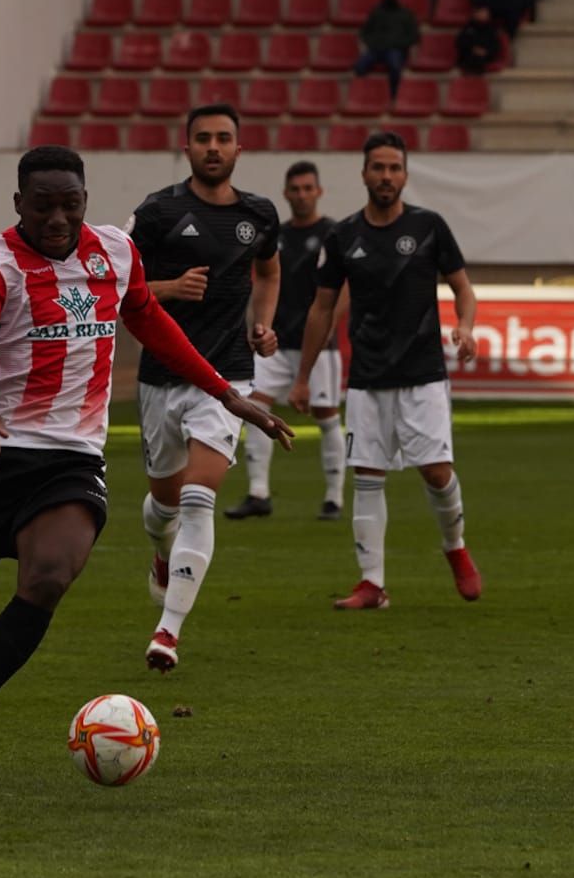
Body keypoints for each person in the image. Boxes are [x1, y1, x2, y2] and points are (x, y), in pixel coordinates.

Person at [0, 147, 292, 776]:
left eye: (71, 203)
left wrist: (226, 393)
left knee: (50, 578)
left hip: (72, 460)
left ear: (86, 199)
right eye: (43, 205)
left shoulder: (113, 251)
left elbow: (151, 321)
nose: (58, 217)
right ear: (18, 205)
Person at [289, 131, 482, 609]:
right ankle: (372, 584)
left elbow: (463, 288)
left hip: (423, 374)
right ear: (364, 174)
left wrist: (466, 326)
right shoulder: (343, 236)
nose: (386, 176)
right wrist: (303, 375)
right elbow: (321, 308)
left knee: (437, 473)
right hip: (368, 378)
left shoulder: (430, 226)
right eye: (378, 167)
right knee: (368, 475)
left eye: (395, 168)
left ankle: (455, 548)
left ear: (405, 175)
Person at [126, 104, 282, 674]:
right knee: (162, 506)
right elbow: (116, 284)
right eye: (202, 138)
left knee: (198, 498)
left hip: (227, 378)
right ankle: (162, 554)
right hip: (161, 379)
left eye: (223, 138)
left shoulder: (260, 214)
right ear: (186, 148)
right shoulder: (157, 211)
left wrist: (261, 325)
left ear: (240, 150)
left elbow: (267, 272)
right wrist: (168, 287)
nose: (213, 147)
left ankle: (168, 631)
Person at [226, 161, 347, 521]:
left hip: (318, 345)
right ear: (286, 193)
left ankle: (334, 497)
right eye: (295, 189)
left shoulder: (333, 234)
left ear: (319, 191)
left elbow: (344, 290)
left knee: (326, 418)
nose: (302, 195)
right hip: (275, 342)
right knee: (256, 410)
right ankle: (258, 493)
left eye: (308, 188)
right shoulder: (274, 235)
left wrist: (326, 331)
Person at [353, 0, 421, 98]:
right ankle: (363, 95)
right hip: (376, 49)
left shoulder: (406, 14)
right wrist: (374, 42)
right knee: (359, 66)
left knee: (395, 65)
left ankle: (393, 95)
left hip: (395, 50)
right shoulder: (376, 12)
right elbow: (365, 32)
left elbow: (414, 36)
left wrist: (398, 44)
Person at [455, 4, 503, 75]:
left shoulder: (492, 30)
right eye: (480, 12)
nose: (482, 14)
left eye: (484, 12)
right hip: (469, 55)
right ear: (475, 14)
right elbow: (460, 42)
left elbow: (495, 46)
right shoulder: (468, 28)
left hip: (485, 57)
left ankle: (477, 81)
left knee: (479, 60)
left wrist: (485, 52)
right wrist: (473, 49)